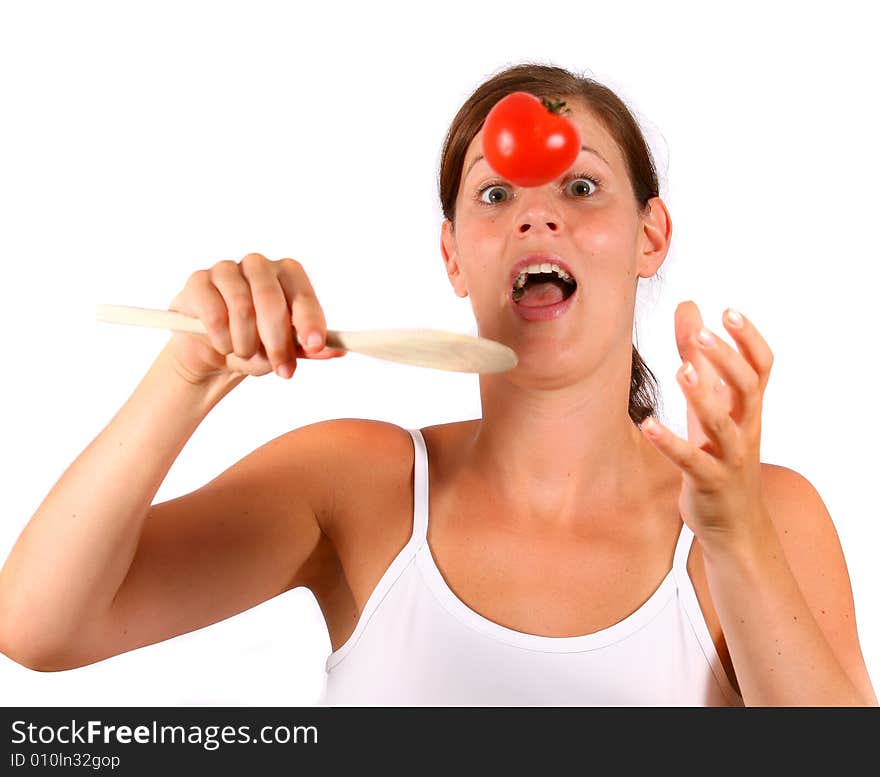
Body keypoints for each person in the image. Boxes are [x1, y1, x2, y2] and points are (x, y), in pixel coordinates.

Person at [0, 63, 875, 707]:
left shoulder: (772, 517)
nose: (538, 212)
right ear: (454, 254)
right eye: (495, 195)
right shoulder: (357, 484)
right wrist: (186, 374)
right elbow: (38, 626)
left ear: (651, 237)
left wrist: (737, 539)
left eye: (581, 186)